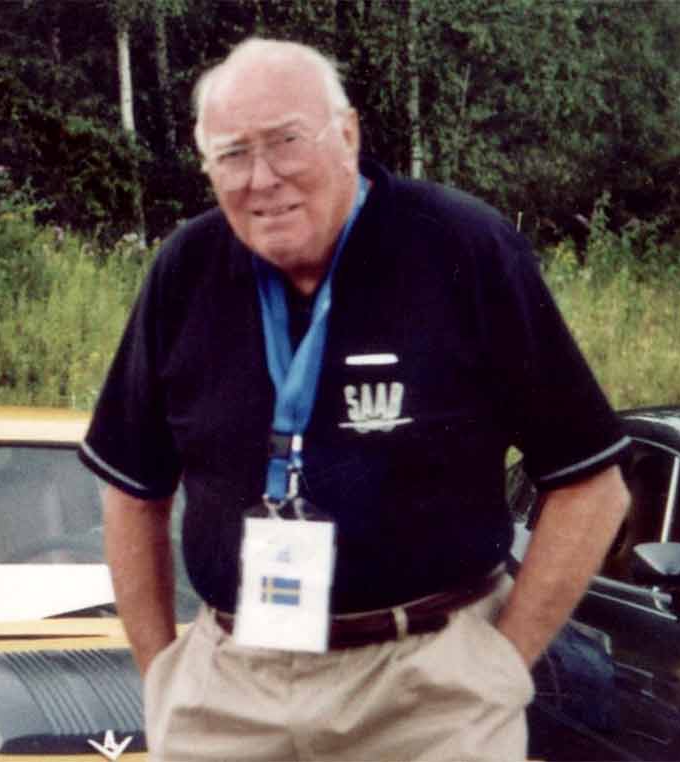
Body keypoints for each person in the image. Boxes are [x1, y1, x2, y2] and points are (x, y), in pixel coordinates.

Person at [79, 37, 631, 761]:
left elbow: (593, 486)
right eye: (233, 154)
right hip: (230, 693)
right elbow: (132, 489)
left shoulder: (461, 247)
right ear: (206, 164)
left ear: (347, 135)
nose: (263, 178)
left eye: (285, 142)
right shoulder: (186, 269)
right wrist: (163, 675)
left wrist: (498, 665)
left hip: (427, 693)